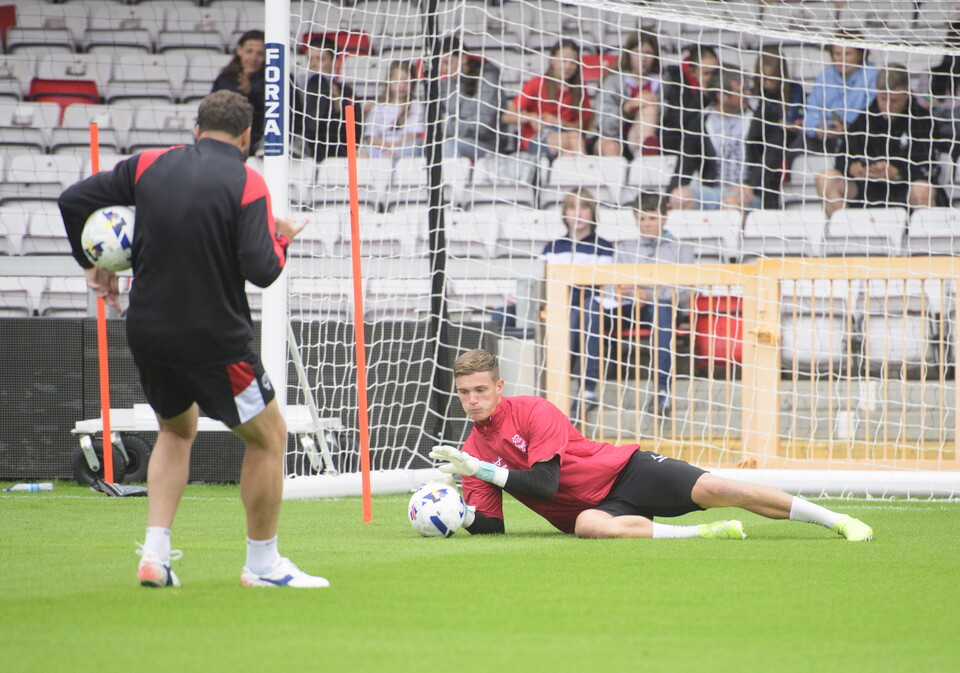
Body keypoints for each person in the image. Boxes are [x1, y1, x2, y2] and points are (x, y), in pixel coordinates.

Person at [57, 91, 327, 589]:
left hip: (148, 331)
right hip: (215, 339)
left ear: (196, 126)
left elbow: (72, 201)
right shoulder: (247, 180)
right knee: (270, 438)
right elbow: (263, 269)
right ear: (247, 137)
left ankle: (155, 557)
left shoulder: (149, 164)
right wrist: (283, 236)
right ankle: (263, 565)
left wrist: (93, 265)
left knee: (177, 431)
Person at [429, 348, 874, 542]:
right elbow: (492, 528)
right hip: (594, 512)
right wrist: (455, 511)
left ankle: (835, 520)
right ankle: (704, 535)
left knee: (722, 490)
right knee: (588, 527)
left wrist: (478, 470)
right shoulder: (471, 452)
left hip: (625, 470)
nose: (472, 400)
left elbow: (544, 484)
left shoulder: (533, 411)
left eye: (480, 390)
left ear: (499, 386)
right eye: (464, 392)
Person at [815, 67, 942, 218]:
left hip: (905, 188)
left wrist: (897, 172)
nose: (888, 106)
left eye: (894, 100)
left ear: (906, 94)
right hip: (868, 188)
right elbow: (842, 158)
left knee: (922, 189)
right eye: (883, 99)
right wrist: (853, 168)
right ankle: (847, 235)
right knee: (826, 179)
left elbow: (930, 166)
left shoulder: (923, 120)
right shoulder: (865, 119)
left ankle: (926, 238)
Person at [612, 192, 694, 415]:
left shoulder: (682, 249)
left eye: (652, 218)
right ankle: (586, 389)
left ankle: (662, 391)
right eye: (641, 219)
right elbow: (614, 285)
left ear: (665, 218)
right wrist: (633, 293)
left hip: (663, 307)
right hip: (629, 307)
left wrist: (648, 295)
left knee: (662, 309)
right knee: (591, 309)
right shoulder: (624, 247)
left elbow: (684, 292)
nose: (646, 224)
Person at [540, 188, 614, 412]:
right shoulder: (553, 247)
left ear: (592, 212)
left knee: (587, 309)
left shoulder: (604, 247)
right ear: (565, 212)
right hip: (559, 310)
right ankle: (557, 389)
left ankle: (587, 388)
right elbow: (541, 284)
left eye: (584, 207)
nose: (578, 213)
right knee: (568, 313)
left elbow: (606, 289)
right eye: (573, 207)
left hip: (595, 311)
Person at [668, 69, 785, 211]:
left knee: (730, 202)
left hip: (750, 192)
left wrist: (750, 184)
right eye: (742, 91)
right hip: (713, 191)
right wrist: (666, 199)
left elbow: (773, 155)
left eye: (748, 89)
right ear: (722, 96)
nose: (748, 94)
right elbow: (683, 167)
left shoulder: (761, 117)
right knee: (679, 197)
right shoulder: (700, 123)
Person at [502, 40, 593, 160]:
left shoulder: (579, 88)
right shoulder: (537, 84)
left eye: (573, 62)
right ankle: (587, 173)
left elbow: (584, 125)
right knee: (574, 137)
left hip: (565, 141)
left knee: (568, 155)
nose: (568, 66)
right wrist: (532, 117)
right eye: (563, 60)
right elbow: (507, 116)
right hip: (536, 140)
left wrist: (560, 123)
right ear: (552, 60)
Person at [802, 34, 879, 154]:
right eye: (837, 54)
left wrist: (847, 128)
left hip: (859, 136)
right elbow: (812, 110)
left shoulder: (872, 75)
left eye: (847, 54)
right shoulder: (825, 75)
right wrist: (818, 128)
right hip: (826, 136)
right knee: (799, 147)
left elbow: (873, 113)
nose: (842, 59)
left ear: (860, 54)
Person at [595, 32, 661, 158]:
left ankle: (643, 157)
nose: (643, 58)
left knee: (649, 107)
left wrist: (658, 105)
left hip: (645, 135)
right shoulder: (613, 82)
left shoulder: (663, 82)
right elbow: (605, 126)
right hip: (612, 137)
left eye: (648, 53)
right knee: (611, 147)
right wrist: (628, 107)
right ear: (628, 54)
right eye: (638, 52)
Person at [437, 36, 502, 161]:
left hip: (486, 144)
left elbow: (483, 125)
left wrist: (446, 128)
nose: (443, 69)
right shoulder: (445, 85)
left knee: (447, 146)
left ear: (463, 59)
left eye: (447, 62)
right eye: (440, 64)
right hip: (452, 139)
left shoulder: (488, 79)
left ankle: (448, 181)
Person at [294, 36, 354, 162]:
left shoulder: (345, 91)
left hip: (333, 150)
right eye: (310, 59)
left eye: (320, 59)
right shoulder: (295, 88)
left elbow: (353, 133)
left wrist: (338, 105)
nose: (313, 64)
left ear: (334, 62)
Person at [659, 44, 720, 155]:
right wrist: (703, 96)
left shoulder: (727, 86)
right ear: (692, 72)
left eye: (715, 73)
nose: (712, 78)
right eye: (706, 73)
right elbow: (677, 123)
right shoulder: (676, 84)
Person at [212, 30, 266, 154]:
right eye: (249, 52)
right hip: (227, 137)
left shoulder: (273, 80)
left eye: (259, 53)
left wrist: (251, 92)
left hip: (260, 140)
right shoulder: (225, 79)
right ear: (239, 50)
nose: (253, 58)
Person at [361, 60, 425, 160]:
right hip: (381, 148)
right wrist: (386, 146)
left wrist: (394, 147)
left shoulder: (416, 106)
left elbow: (414, 135)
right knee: (361, 154)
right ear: (389, 81)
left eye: (406, 81)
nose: (401, 86)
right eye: (397, 81)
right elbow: (371, 137)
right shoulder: (378, 107)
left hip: (404, 149)